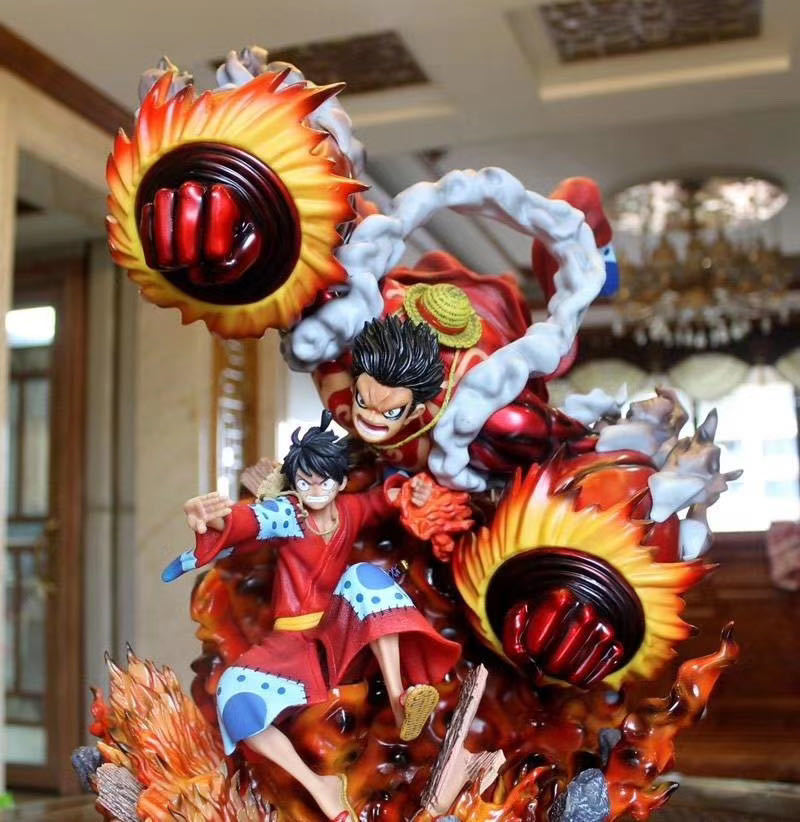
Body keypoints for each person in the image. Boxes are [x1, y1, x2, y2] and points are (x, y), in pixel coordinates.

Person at [162, 412, 461, 820]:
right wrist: (209, 517)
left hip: (339, 635)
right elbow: (246, 521)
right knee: (234, 696)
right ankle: (319, 785)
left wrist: (415, 491)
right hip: (291, 648)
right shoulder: (287, 515)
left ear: (340, 481)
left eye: (324, 481)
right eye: (305, 482)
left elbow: (384, 500)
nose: (315, 490)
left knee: (364, 576)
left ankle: (400, 699)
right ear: (295, 485)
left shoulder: (350, 511)